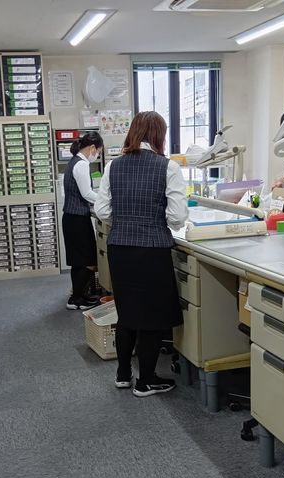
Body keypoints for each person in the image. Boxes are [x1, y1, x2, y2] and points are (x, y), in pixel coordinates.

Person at [95, 111, 189, 398]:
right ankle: (146, 381)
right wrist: (154, 219)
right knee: (151, 317)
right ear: (159, 135)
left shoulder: (113, 166)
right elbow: (177, 217)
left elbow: (102, 211)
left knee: (126, 313)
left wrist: (126, 221)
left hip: (120, 248)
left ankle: (123, 374)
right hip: (151, 250)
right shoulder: (168, 167)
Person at [62, 132, 104, 310]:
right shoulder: (81, 164)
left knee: (79, 260)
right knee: (88, 260)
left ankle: (78, 296)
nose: (97, 155)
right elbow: (86, 193)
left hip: (72, 217)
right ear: (92, 147)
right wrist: (105, 201)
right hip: (77, 219)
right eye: (98, 152)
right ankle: (76, 299)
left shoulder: (74, 162)